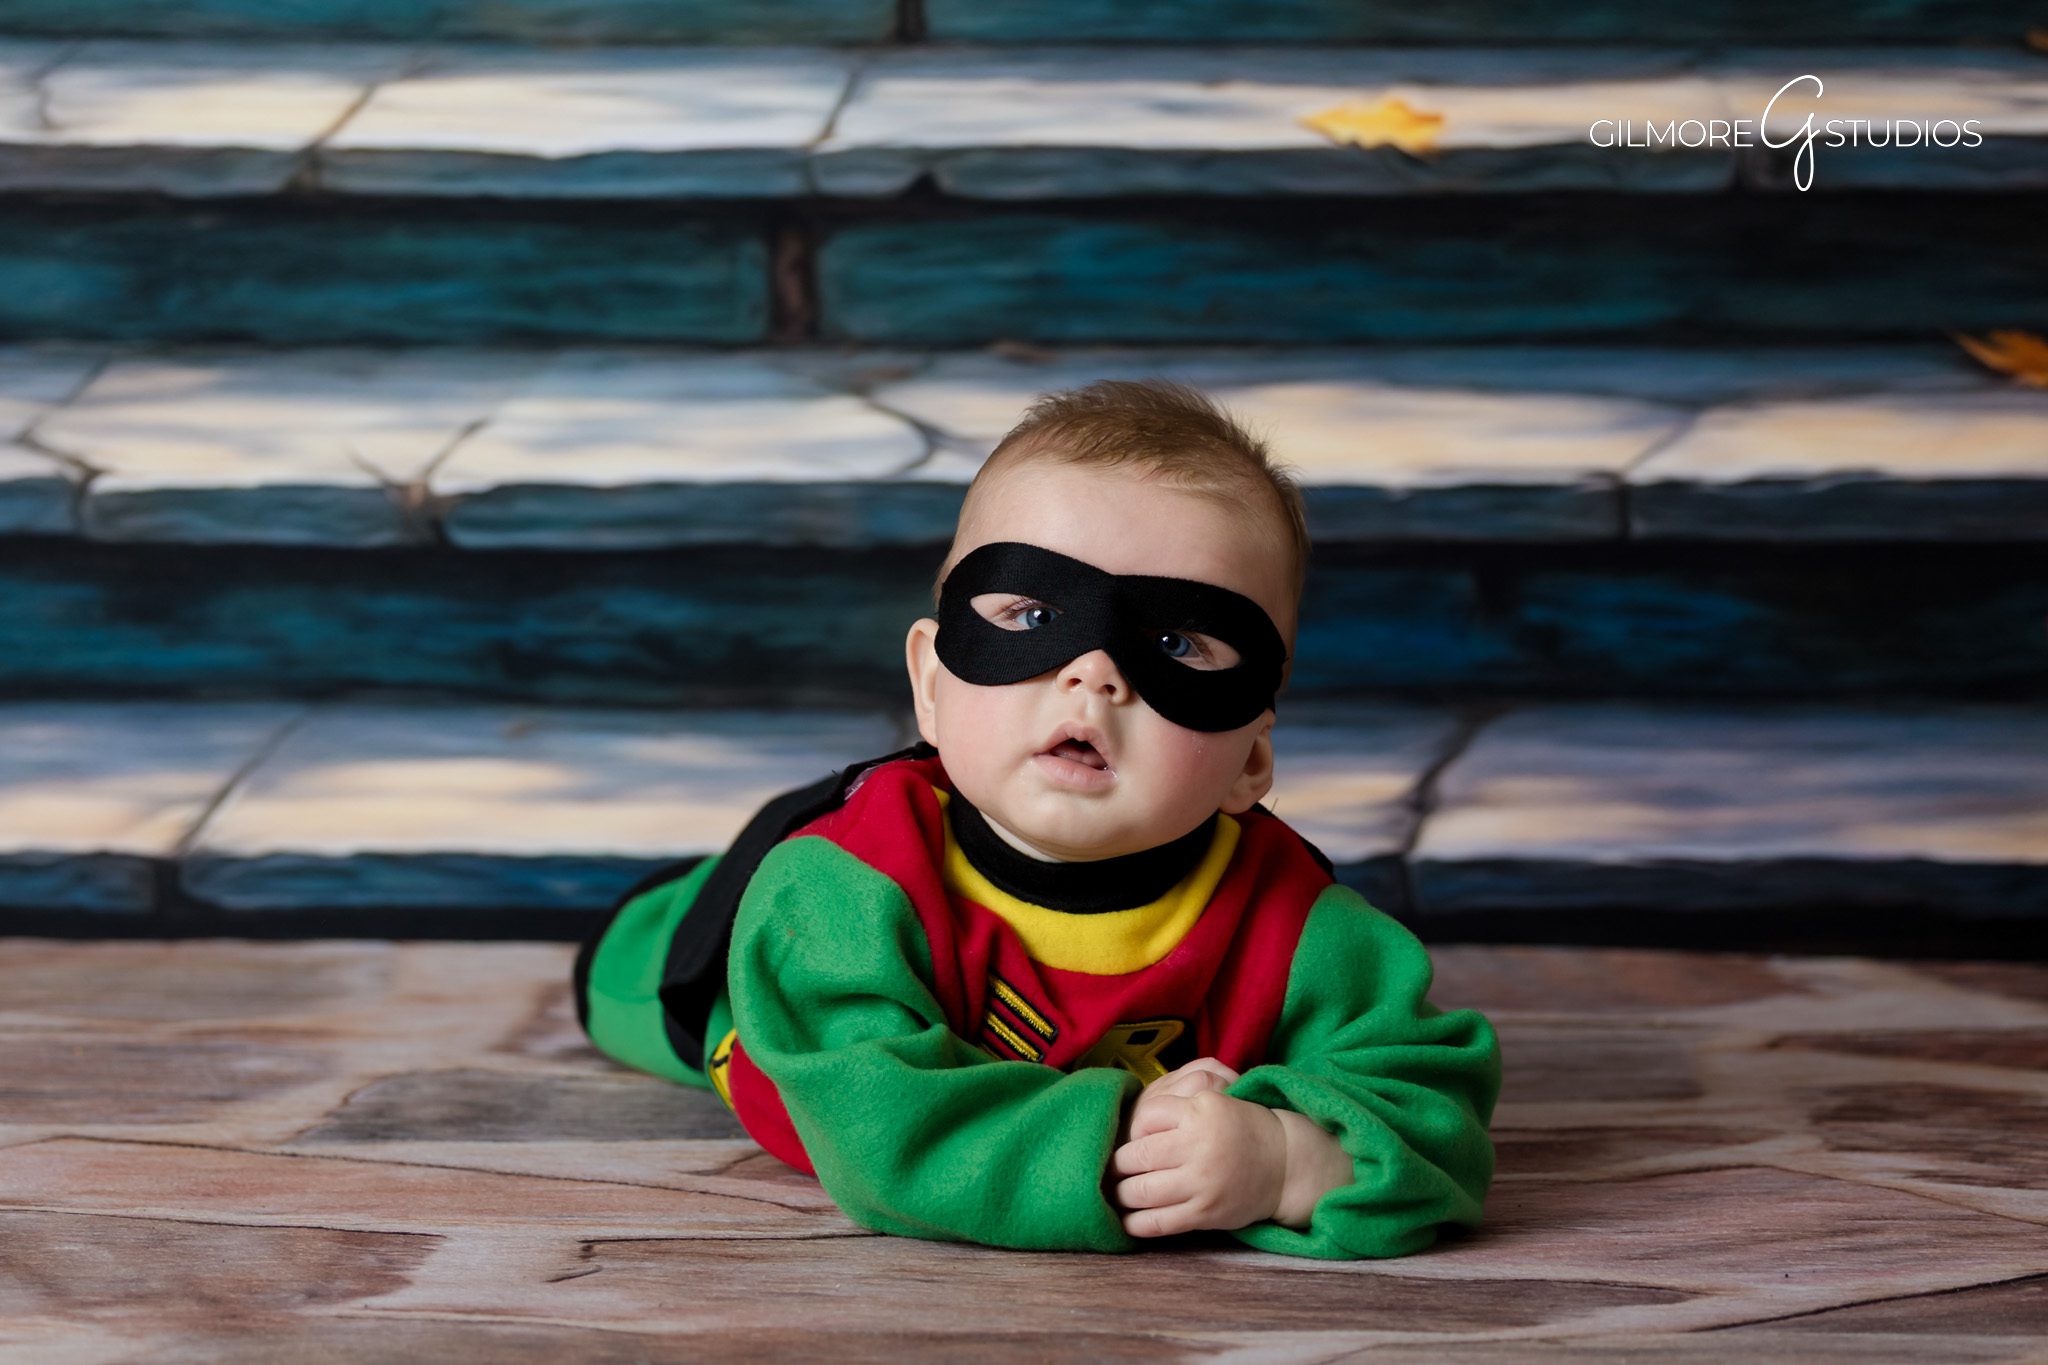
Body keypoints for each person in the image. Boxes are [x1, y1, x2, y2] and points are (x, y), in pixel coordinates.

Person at [574, 377, 1501, 1259]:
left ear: (1250, 760)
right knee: (645, 966)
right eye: (1031, 613)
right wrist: (1129, 1143)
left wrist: (1290, 1159)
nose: (1093, 672)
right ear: (933, 688)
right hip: (707, 969)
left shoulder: (1299, 926)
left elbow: (1435, 1110)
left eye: (1177, 641)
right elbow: (882, 1131)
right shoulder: (837, 890)